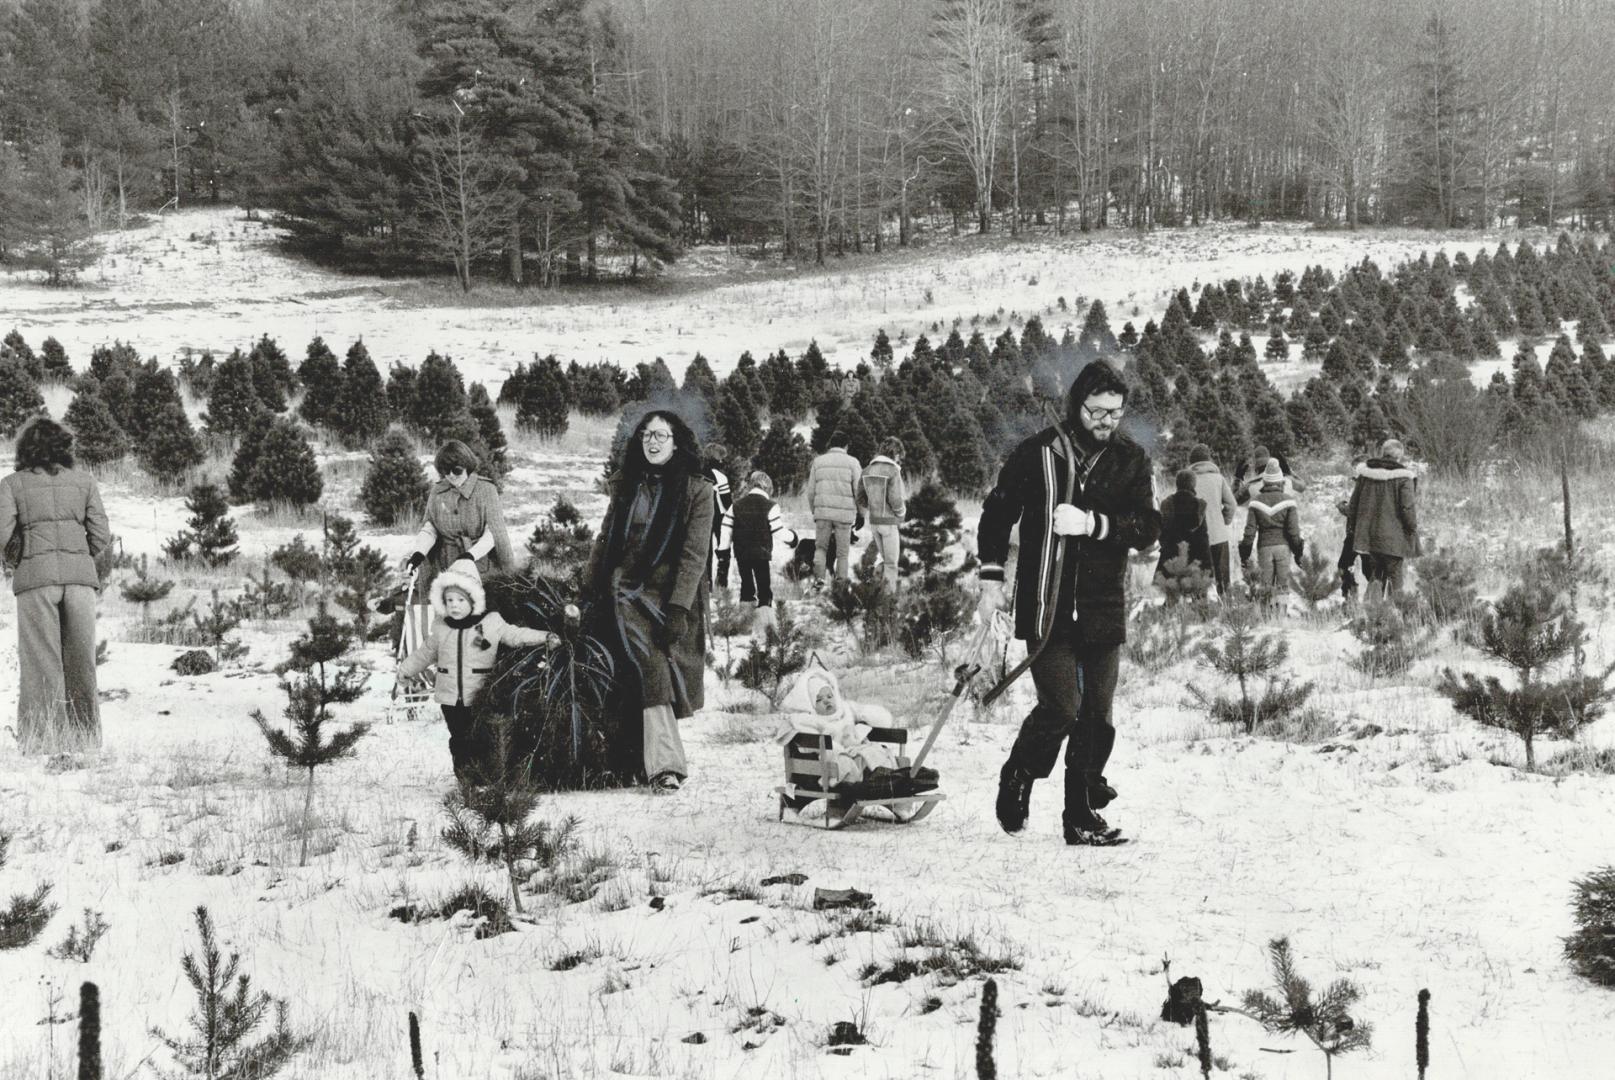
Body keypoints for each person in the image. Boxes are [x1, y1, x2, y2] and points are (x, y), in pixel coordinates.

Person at [978, 361, 1161, 846]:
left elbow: (1147, 528)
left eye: (1116, 412)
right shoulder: (1038, 454)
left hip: (1102, 607)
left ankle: (1080, 816)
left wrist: (1094, 525)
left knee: (1096, 715)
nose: (1106, 421)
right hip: (1046, 603)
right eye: (1097, 411)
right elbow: (996, 514)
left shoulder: (1130, 459)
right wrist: (991, 579)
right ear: (1077, 405)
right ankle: (1019, 772)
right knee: (1061, 708)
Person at [584, 410, 715, 793]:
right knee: (648, 668)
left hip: (670, 598)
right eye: (646, 436)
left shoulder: (697, 491)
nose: (652, 442)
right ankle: (662, 767)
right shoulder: (627, 485)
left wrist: (677, 609)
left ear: (677, 442)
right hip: (624, 593)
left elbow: (694, 557)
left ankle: (651, 765)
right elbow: (605, 539)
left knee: (653, 672)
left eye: (660, 435)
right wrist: (588, 588)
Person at [0, 418, 112, 753]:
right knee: (81, 663)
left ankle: (42, 741)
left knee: (41, 664)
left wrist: (15, 560)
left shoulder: (11, 484)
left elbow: (2, 534)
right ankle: (85, 740)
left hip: (36, 583)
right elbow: (102, 536)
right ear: (64, 447)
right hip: (80, 583)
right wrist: (78, 554)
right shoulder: (85, 482)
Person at [395, 566, 557, 782]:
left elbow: (516, 635)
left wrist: (544, 637)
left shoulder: (490, 623)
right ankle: (465, 778)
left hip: (480, 695)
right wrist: (405, 670)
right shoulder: (442, 628)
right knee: (459, 738)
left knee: (482, 736)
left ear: (473, 601)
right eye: (449, 600)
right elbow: (424, 654)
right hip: (450, 697)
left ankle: (485, 775)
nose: (454, 605)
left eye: (460, 600)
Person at [401, 439, 514, 600]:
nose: (451, 476)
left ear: (467, 466)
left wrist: (471, 555)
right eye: (446, 472)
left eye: (457, 470)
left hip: (478, 565)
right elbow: (430, 527)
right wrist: (419, 553)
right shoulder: (438, 491)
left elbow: (494, 533)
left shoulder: (486, 490)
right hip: (443, 565)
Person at [717, 470, 797, 636]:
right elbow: (778, 531)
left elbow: (725, 532)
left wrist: (723, 556)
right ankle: (765, 627)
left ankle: (744, 624)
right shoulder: (771, 506)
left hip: (741, 553)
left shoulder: (736, 505)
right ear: (768, 488)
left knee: (746, 586)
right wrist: (793, 538)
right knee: (764, 588)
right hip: (761, 554)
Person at [1344, 438, 1419, 601]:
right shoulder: (1404, 478)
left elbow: (1354, 505)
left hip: (1369, 537)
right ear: (1399, 456)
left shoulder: (1365, 474)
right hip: (1394, 538)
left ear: (1383, 452)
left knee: (1375, 578)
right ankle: (1395, 615)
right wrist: (1412, 528)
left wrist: (1353, 531)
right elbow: (1407, 508)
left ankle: (1370, 615)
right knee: (1395, 579)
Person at [1238, 459, 1305, 597]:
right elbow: (1293, 532)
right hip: (1283, 548)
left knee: (1266, 588)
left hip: (1264, 548)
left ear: (1264, 482)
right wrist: (1299, 553)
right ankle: (1281, 616)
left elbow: (1249, 533)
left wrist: (1244, 556)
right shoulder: (1289, 501)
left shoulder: (1255, 502)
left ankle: (1268, 616)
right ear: (1281, 481)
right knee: (1282, 588)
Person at [806, 431, 862, 589]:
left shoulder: (818, 462)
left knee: (821, 548)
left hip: (822, 514)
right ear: (846, 445)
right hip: (844, 516)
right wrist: (861, 514)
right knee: (842, 553)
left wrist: (815, 511)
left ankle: (819, 580)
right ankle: (841, 584)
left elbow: (810, 491)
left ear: (830, 444)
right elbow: (859, 491)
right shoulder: (853, 462)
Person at [1186, 444, 1236, 597]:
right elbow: (1231, 504)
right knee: (1223, 581)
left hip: (1196, 537)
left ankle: (1201, 612)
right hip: (1219, 535)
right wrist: (1223, 520)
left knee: (1199, 580)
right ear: (1209, 460)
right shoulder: (1218, 479)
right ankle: (1227, 609)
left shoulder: (1188, 481)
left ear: (1192, 462)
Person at [859, 437, 908, 591]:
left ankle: (877, 593)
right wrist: (902, 514)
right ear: (895, 453)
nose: (899, 459)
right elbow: (896, 499)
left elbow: (861, 498)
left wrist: (872, 505)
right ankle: (889, 600)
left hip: (874, 522)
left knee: (885, 560)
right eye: (899, 455)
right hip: (889, 522)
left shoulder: (866, 470)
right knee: (891, 564)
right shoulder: (893, 471)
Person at [1155, 469, 1212, 592]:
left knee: (1170, 596)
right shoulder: (1200, 506)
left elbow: (1161, 532)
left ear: (1177, 484)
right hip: (1197, 558)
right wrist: (1207, 564)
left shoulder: (1167, 504)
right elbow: (1204, 537)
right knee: (1199, 598)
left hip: (1172, 558)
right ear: (1193, 484)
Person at [704, 443, 734, 587]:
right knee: (724, 549)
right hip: (719, 516)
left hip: (702, 516)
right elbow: (727, 502)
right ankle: (721, 582)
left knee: (705, 551)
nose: (722, 461)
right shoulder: (720, 477)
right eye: (721, 458)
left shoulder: (698, 472)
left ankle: (706, 582)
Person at [1234, 444, 1305, 505]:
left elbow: (1233, 501)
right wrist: (1289, 472)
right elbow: (1303, 486)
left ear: (1256, 468)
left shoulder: (1250, 486)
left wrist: (1237, 478)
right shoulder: (1288, 480)